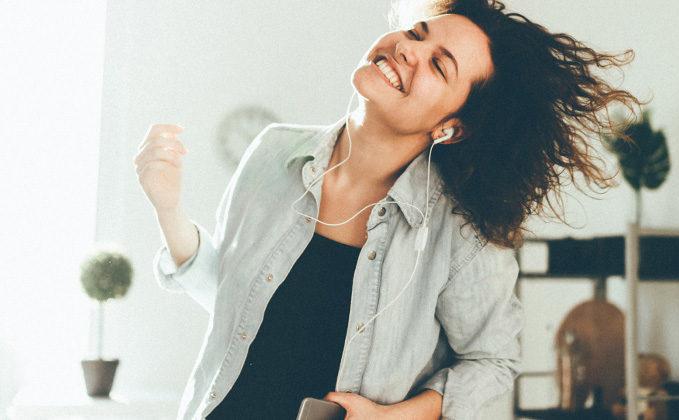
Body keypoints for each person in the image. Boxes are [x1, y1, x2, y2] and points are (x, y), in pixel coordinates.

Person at [133, 0, 642, 419]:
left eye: (439, 64)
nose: (408, 49)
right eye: (417, 33)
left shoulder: (461, 230)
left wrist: (391, 418)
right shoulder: (272, 152)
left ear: (451, 127)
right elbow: (231, 300)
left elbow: (493, 363)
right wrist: (168, 208)